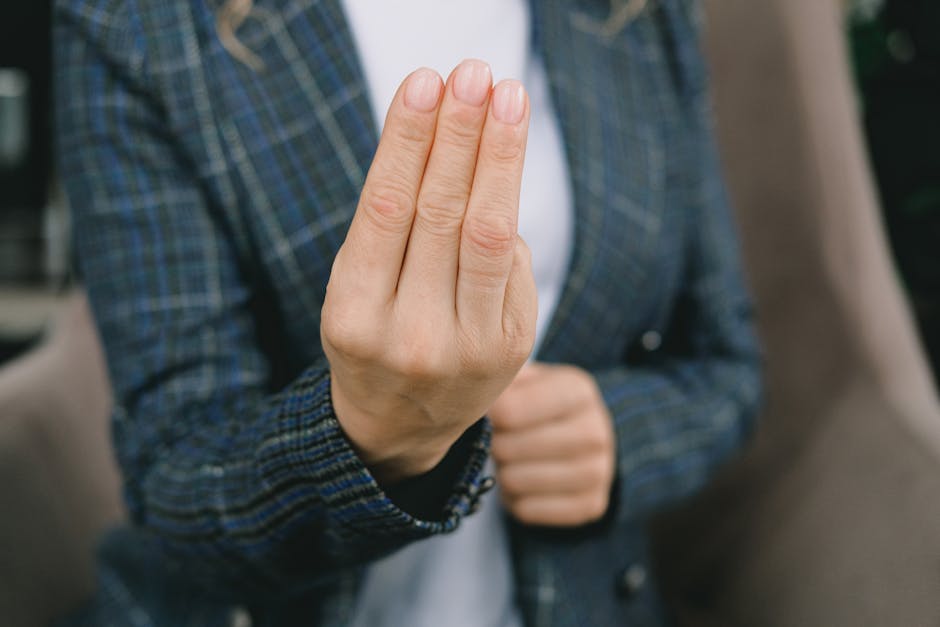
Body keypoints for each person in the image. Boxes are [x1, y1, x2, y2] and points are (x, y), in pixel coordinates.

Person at [54, 0, 761, 624]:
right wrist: (367, 439)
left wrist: (618, 436)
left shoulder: (641, 12)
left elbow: (728, 366)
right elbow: (175, 472)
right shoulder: (137, 19)